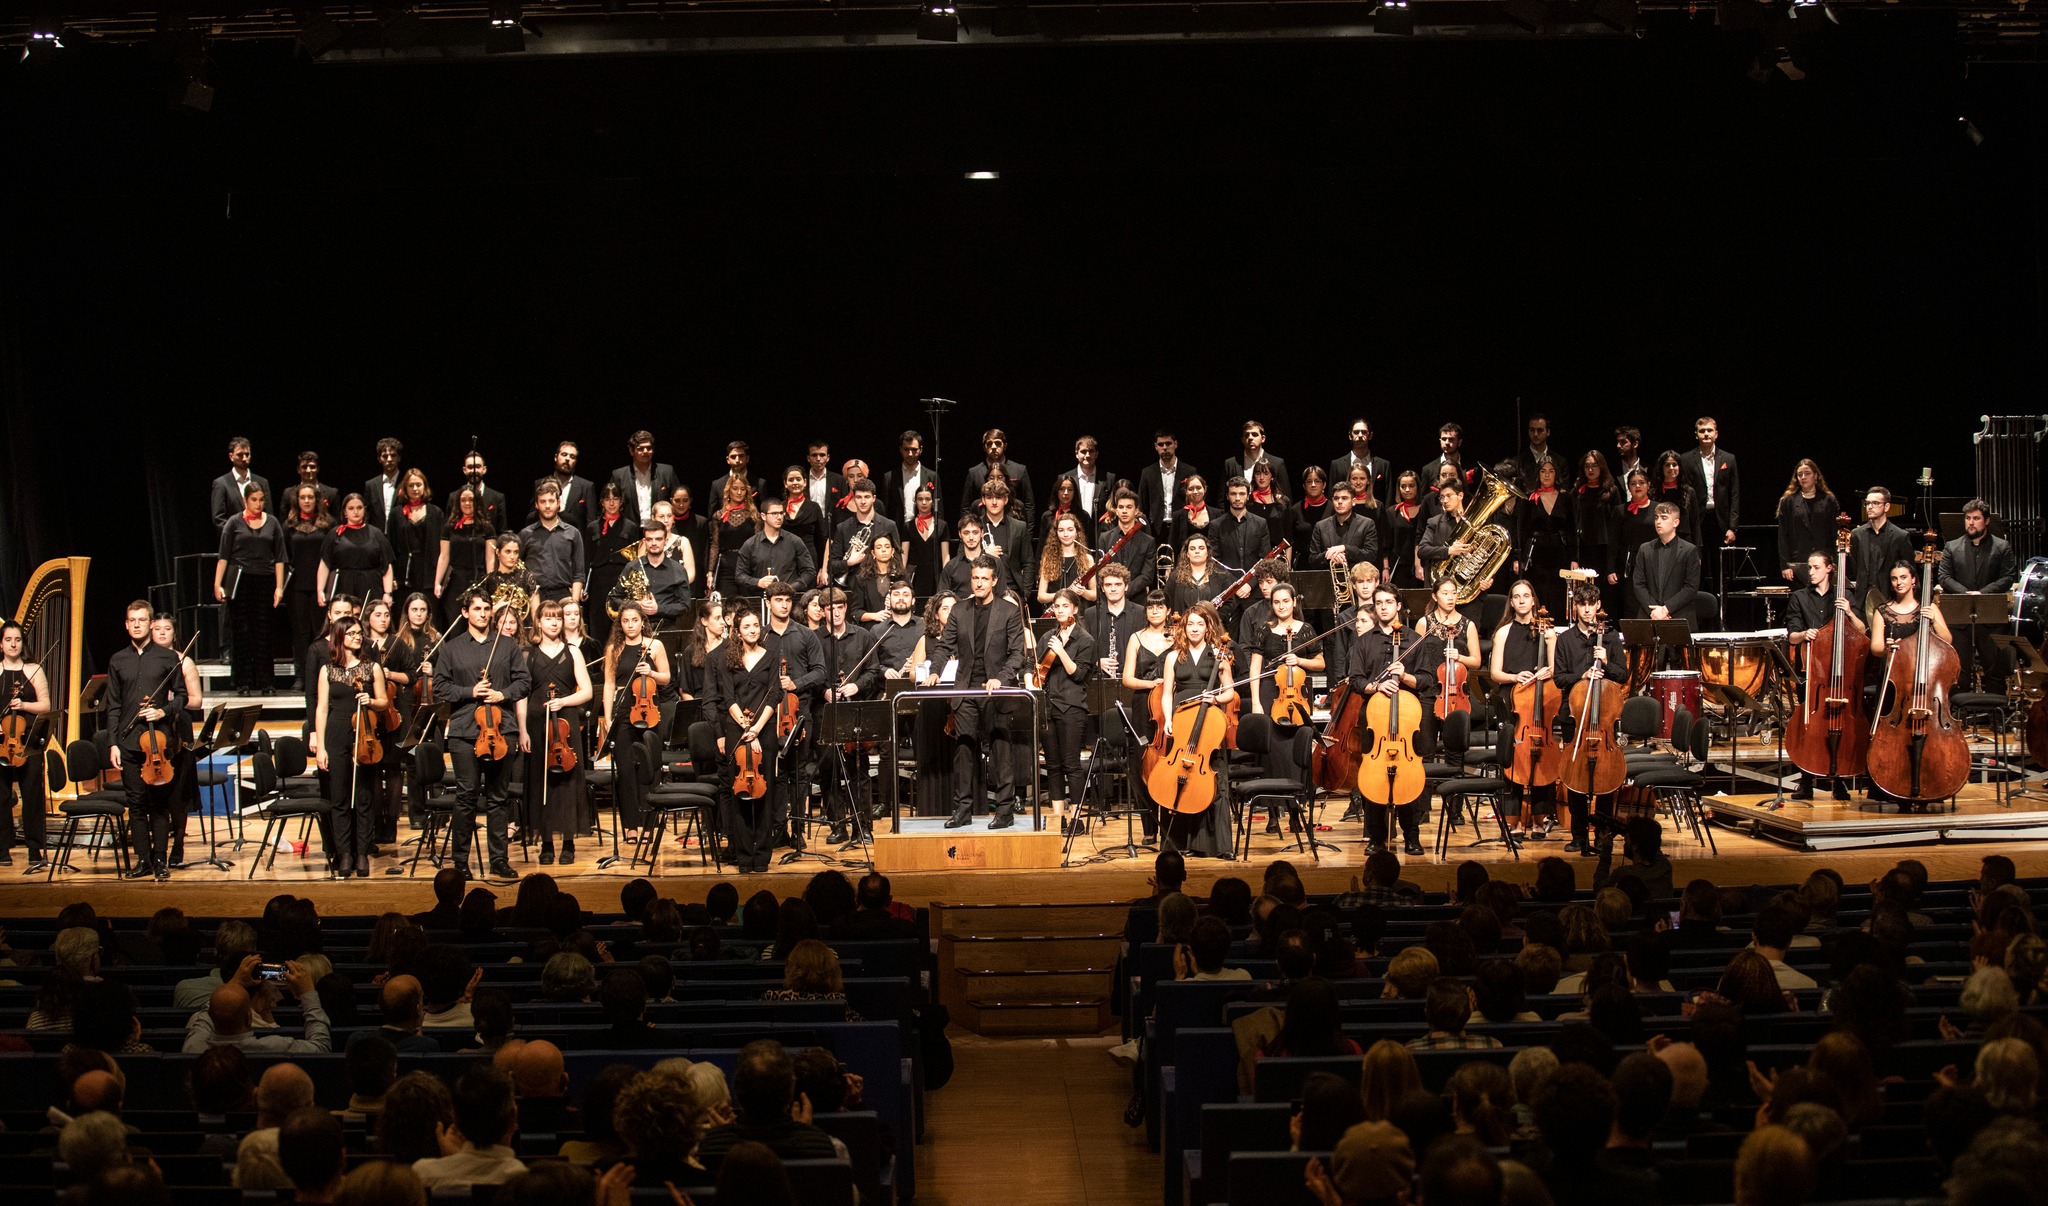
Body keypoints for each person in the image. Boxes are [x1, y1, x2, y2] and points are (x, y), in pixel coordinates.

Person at [433, 592, 531, 880]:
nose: (483, 613)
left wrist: (503, 693)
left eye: (487, 608)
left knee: (498, 798)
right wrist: (469, 692)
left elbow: (524, 681)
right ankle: (460, 862)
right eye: (476, 609)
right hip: (465, 731)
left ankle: (498, 860)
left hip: (502, 729)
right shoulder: (451, 648)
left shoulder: (507, 645)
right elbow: (440, 687)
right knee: (466, 796)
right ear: (465, 612)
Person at [927, 558, 1029, 829]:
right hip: (966, 689)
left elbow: (1018, 654)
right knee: (963, 749)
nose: (979, 583)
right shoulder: (960, 610)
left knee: (1000, 750)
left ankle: (1005, 810)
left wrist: (1001, 679)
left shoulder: (1008, 611)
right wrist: (935, 671)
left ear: (994, 581)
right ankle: (963, 810)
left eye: (984, 578)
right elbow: (943, 646)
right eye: (975, 578)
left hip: (997, 691)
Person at [103, 600, 188, 879]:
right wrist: (113, 743)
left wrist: (163, 710)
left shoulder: (167, 658)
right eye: (132, 620)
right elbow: (113, 705)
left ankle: (160, 859)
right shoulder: (117, 660)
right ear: (126, 624)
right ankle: (143, 860)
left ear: (151, 623)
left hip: (159, 742)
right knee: (137, 803)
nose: (137, 624)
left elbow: (182, 697)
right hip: (128, 743)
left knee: (159, 803)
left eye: (142, 620)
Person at [1155, 600, 1239, 856]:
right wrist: (1167, 718)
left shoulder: (1218, 655)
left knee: (1213, 779)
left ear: (1207, 627)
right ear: (1184, 628)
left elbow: (1230, 692)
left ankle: (1215, 845)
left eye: (1199, 624)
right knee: (1178, 778)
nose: (1194, 629)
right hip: (1181, 724)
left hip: (1209, 725)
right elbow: (1167, 692)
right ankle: (1178, 842)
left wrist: (1214, 699)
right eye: (1190, 624)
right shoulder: (1173, 656)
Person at [311, 617, 389, 878]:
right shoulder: (327, 670)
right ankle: (344, 853)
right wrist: (321, 747)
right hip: (336, 733)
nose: (358, 637)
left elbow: (384, 703)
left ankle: (362, 853)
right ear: (340, 636)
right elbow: (322, 709)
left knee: (365, 797)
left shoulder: (371, 668)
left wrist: (371, 701)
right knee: (340, 798)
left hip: (364, 733)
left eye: (359, 633)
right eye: (352, 633)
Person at [1552, 583, 1625, 856]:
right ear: (1576, 607)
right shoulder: (1565, 640)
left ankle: (1603, 835)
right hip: (1575, 717)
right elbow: (1559, 677)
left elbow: (1623, 675)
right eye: (1581, 605)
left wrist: (1606, 661)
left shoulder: (1611, 637)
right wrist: (1582, 675)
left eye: (1591, 605)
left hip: (1604, 718)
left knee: (1606, 781)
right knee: (1575, 780)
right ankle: (1579, 836)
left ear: (1597, 606)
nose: (1586, 609)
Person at [522, 599, 592, 866]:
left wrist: (563, 701)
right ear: (538, 622)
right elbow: (522, 695)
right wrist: (522, 729)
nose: (553, 622)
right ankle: (547, 843)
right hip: (537, 726)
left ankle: (568, 842)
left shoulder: (572, 652)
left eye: (557, 618)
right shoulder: (528, 655)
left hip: (565, 725)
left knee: (567, 783)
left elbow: (585, 691)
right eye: (548, 618)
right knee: (542, 783)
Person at [695, 1040, 842, 1167]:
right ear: (791, 1091)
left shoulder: (711, 1147)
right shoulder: (820, 1146)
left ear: (737, 1093)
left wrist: (722, 1136)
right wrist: (804, 1135)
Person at [1491, 580, 1558, 842]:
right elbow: (1496, 673)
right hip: (1513, 698)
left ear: (1533, 600)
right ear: (1511, 602)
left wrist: (1547, 670)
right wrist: (1515, 676)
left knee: (1542, 757)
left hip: (1541, 699)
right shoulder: (1504, 632)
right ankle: (1514, 821)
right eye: (1516, 596)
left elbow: (1554, 667)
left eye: (1526, 596)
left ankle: (1540, 821)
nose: (1521, 601)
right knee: (1513, 759)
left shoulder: (1548, 632)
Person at [603, 604, 672, 852]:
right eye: (625, 621)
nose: (630, 625)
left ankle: (649, 823)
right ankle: (631, 825)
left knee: (648, 769)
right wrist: (608, 716)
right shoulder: (614, 648)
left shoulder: (655, 645)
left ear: (642, 622)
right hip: (624, 711)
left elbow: (667, 678)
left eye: (634, 620)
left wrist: (651, 672)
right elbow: (609, 684)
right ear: (620, 624)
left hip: (650, 711)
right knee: (625, 770)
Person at [213, 485, 288, 696]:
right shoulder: (234, 522)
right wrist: (218, 584)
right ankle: (243, 681)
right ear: (245, 500)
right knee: (242, 631)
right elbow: (224, 556)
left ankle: (267, 682)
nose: (259, 503)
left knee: (263, 632)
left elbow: (281, 558)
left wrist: (279, 587)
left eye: (261, 499)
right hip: (240, 580)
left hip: (265, 579)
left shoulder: (272, 522)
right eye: (254, 499)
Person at [1940, 498, 2020, 692]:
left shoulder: (2001, 547)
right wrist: (1965, 593)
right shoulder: (1952, 546)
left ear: (1986, 521)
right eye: (1968, 518)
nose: (1971, 522)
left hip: (1991, 615)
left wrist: (1982, 593)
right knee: (1960, 670)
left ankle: (1995, 715)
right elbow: (1944, 576)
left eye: (1976, 518)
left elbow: (2008, 577)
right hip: (1959, 617)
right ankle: (1959, 715)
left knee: (1994, 670)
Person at [1038, 590, 1097, 833]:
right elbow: (1037, 669)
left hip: (1072, 708)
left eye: (1065, 606)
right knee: (1053, 765)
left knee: (1071, 764)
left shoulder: (1085, 640)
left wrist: (1061, 651)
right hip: (1048, 707)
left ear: (1075, 609)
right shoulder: (1048, 637)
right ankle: (1057, 818)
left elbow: (1079, 674)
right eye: (1056, 606)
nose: (1060, 610)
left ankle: (1076, 819)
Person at [412, 1067, 527, 1189]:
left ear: (455, 1118)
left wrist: (456, 1158)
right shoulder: (524, 1182)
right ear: (514, 1118)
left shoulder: (422, 1175)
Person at [184, 956, 329, 1052]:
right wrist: (308, 992)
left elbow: (211, 1011)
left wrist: (234, 983)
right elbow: (321, 1047)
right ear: (249, 1018)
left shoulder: (194, 1047)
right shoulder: (274, 1046)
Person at [0, 621, 52, 867]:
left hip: (27, 741)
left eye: (17, 639)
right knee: (0, 795)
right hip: (0, 742)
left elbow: (45, 705)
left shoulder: (33, 670)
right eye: (8, 639)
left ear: (23, 643)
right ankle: (2, 848)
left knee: (32, 794)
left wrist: (24, 705)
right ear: (1, 643)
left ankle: (34, 848)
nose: (13, 644)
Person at [1517, 459, 1574, 618]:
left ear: (1556, 474)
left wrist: (1574, 558)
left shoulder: (1566, 498)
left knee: (1558, 593)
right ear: (1538, 474)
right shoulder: (1530, 497)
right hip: (1536, 553)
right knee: (1538, 591)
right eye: (1543, 471)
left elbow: (1572, 530)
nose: (1547, 474)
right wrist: (1519, 558)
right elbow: (1522, 530)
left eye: (1551, 471)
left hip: (1559, 552)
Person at [320, 494, 397, 608]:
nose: (356, 511)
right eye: (351, 508)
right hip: (343, 584)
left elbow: (386, 565)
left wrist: (388, 593)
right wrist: (320, 590)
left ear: (364, 510)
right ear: (345, 512)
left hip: (371, 585)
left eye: (359, 508)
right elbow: (325, 563)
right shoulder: (335, 534)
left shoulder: (376, 534)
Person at [518, 480, 586, 609]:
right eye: (543, 502)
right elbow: (517, 569)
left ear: (558, 503)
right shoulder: (525, 534)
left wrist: (574, 604)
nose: (547, 506)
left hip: (564, 596)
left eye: (551, 501)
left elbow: (579, 574)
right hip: (534, 595)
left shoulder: (573, 533)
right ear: (536, 505)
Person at [1632, 501, 1702, 625]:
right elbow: (1638, 584)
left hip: (1679, 617)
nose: (1658, 521)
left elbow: (1691, 587)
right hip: (1650, 616)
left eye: (1664, 518)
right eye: (1656, 517)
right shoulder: (1645, 549)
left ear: (1676, 522)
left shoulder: (1689, 550)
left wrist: (1665, 609)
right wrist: (1654, 611)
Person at [437, 486, 498, 627]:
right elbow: (444, 556)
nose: (467, 503)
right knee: (456, 625)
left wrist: (490, 583)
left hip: (479, 578)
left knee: (479, 622)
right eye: (463, 500)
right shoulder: (449, 527)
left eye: (471, 500)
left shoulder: (487, 527)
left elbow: (490, 558)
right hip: (455, 581)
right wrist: (438, 583)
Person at [1776, 459, 1840, 587]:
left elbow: (1835, 533)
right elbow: (1783, 536)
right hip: (1798, 564)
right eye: (1800, 475)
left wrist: (1835, 562)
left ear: (1816, 475)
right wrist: (1785, 565)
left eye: (1807, 473)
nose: (1803, 477)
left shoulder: (1828, 500)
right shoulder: (1788, 501)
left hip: (1824, 562)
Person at [1683, 414, 1741, 553]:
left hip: (1720, 519)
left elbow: (1735, 493)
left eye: (1709, 430)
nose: (1706, 434)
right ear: (1696, 435)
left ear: (1716, 434)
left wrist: (1732, 527)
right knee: (1697, 565)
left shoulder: (1729, 458)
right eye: (1702, 431)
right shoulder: (1686, 459)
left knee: (1720, 566)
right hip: (1697, 519)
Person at [1849, 485, 1913, 610]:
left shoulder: (1900, 536)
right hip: (1862, 601)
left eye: (1875, 503)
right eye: (1867, 503)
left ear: (1887, 507)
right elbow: (1855, 568)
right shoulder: (1856, 535)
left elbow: (1908, 570)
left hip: (1890, 600)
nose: (1870, 507)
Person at [738, 497, 817, 596]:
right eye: (774, 513)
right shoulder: (750, 544)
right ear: (763, 516)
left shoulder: (794, 541)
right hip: (760, 599)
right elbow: (740, 575)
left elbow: (809, 571)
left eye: (781, 513)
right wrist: (758, 582)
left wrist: (791, 587)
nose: (779, 517)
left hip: (788, 599)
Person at [385, 470, 443, 601]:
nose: (415, 488)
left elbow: (442, 548)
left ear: (425, 486)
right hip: (403, 572)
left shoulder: (435, 512)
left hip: (429, 571)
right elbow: (390, 546)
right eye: (411, 485)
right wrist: (392, 576)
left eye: (418, 484)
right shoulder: (396, 513)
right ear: (405, 488)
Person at [958, 428, 1034, 525]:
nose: (993, 447)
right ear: (984, 447)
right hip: (982, 525)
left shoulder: (1019, 470)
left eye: (998, 443)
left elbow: (1029, 505)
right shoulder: (974, 472)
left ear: (1005, 445)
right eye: (989, 444)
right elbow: (966, 507)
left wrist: (1027, 534)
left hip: (1013, 523)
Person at [608, 430, 681, 528]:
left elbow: (677, 502)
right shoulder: (619, 475)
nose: (645, 451)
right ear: (631, 450)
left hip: (660, 531)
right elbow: (612, 505)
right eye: (640, 448)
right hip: (630, 532)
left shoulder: (667, 472)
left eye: (649, 448)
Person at [210, 436, 271, 531]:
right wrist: (239, 536)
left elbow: (269, 515)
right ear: (231, 456)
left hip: (261, 540)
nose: (244, 458)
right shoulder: (221, 484)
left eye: (247, 454)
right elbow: (219, 519)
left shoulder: (262, 482)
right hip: (235, 542)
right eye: (240, 455)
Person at [1038, 512, 1098, 606]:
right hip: (1057, 613)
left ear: (1077, 532)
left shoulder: (1088, 558)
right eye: (1061, 530)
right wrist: (1061, 595)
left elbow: (1095, 595)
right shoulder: (1048, 559)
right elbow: (1041, 596)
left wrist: (1083, 592)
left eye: (1070, 530)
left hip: (1080, 614)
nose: (1066, 534)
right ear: (1056, 533)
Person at [364, 437, 405, 530]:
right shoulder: (371, 485)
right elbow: (367, 514)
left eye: (393, 455)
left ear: (399, 458)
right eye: (385, 456)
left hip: (401, 536)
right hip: (377, 537)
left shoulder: (407, 483)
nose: (389, 459)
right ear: (379, 459)